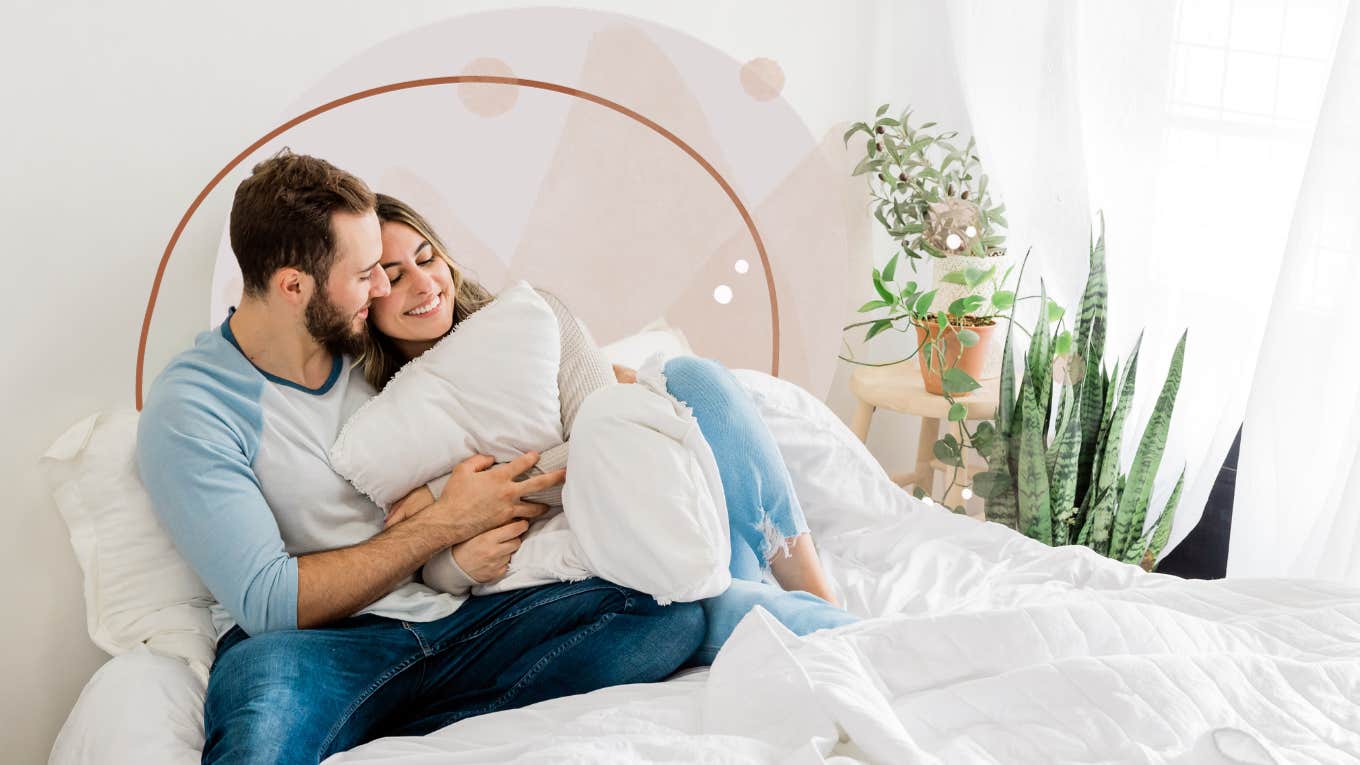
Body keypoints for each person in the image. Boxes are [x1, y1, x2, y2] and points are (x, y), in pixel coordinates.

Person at [136, 150, 706, 765]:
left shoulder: (377, 348)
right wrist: (442, 522)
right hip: (314, 648)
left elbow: (518, 392)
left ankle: (413, 729)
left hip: (462, 622)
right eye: (364, 273)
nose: (382, 287)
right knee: (262, 741)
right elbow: (271, 603)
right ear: (293, 285)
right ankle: (383, 717)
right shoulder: (195, 406)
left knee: (662, 615)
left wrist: (603, 393)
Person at [364, 194, 857, 664]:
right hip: (588, 580)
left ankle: (819, 600)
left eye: (426, 259)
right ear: (365, 299)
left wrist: (455, 499)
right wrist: (455, 560)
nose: (424, 283)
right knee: (703, 602)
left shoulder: (535, 319)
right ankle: (824, 628)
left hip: (657, 509)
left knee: (691, 379)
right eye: (394, 276)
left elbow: (606, 445)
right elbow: (410, 551)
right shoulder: (382, 416)